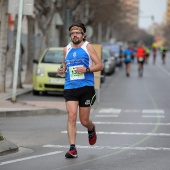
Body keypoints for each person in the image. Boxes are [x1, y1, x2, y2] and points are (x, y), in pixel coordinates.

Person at [58, 23, 103, 158]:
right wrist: (61, 69)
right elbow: (64, 65)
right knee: (71, 116)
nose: (75, 35)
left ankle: (91, 128)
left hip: (86, 87)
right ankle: (72, 148)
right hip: (70, 86)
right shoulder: (66, 49)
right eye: (72, 33)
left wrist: (87, 69)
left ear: (83, 35)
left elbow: (100, 65)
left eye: (78, 33)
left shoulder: (87, 47)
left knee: (84, 120)